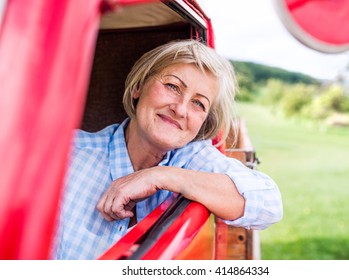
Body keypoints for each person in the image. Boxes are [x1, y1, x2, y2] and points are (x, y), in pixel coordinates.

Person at [52, 39, 283, 260]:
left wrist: (161, 176)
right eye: (172, 86)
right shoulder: (68, 154)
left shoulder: (191, 158)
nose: (181, 109)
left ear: (204, 121)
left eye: (198, 103)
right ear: (139, 87)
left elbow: (269, 204)